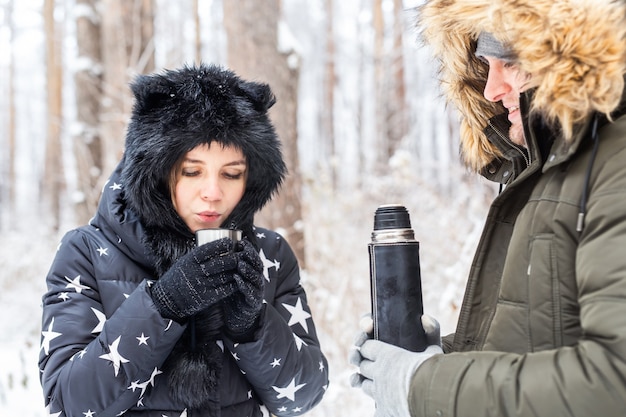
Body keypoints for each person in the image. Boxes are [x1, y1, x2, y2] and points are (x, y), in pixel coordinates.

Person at [350, 0, 626, 416]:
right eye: (485, 65)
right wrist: (438, 357)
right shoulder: (547, 172)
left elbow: (612, 381)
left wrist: (421, 384)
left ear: (569, 53)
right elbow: (538, 342)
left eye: (510, 63)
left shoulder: (614, 165)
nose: (491, 91)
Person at [39, 63, 329, 417]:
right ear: (157, 170)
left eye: (232, 173)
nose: (213, 193)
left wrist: (253, 326)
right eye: (192, 171)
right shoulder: (86, 252)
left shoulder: (270, 254)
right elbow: (67, 402)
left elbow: (303, 397)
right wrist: (163, 306)